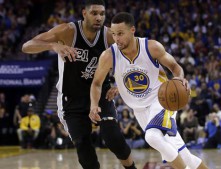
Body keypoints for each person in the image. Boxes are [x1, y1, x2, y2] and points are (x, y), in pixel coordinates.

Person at [22, 1, 136, 169]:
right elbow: (27, 46)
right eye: (94, 13)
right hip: (71, 98)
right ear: (84, 13)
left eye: (102, 14)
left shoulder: (108, 36)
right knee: (84, 149)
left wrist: (121, 83)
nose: (99, 18)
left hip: (101, 94)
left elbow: (132, 57)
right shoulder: (67, 31)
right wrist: (53, 45)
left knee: (114, 139)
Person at [90, 12, 208, 169]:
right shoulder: (108, 56)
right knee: (184, 155)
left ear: (132, 30)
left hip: (161, 101)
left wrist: (179, 77)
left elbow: (174, 67)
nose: (117, 38)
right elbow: (96, 83)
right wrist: (94, 104)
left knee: (152, 137)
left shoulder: (152, 47)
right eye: (113, 34)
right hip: (139, 110)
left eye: (120, 33)